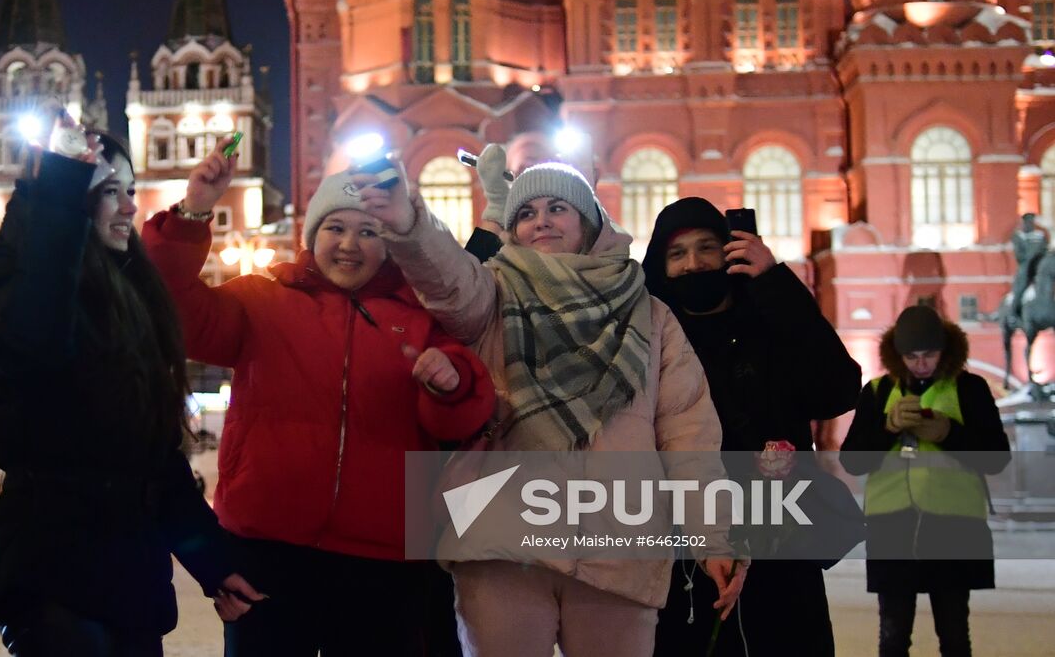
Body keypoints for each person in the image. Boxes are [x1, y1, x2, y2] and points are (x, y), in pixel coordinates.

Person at [359, 161, 741, 657]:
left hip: (617, 547)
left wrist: (713, 536)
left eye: (557, 208)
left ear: (589, 222)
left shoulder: (649, 313)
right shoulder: (491, 293)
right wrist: (410, 223)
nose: (541, 221)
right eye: (526, 213)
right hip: (503, 540)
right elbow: (446, 280)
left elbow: (688, 435)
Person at [142, 139, 497, 656]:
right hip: (267, 552)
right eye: (335, 228)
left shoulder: (418, 318)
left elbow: (460, 415)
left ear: (390, 243)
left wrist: (450, 383)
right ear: (313, 236)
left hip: (383, 563)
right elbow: (166, 306)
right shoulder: (261, 300)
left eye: (368, 231)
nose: (349, 244)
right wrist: (193, 211)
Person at [0, 122, 258, 654]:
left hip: (131, 585)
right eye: (109, 191)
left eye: (130, 189)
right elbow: (36, 341)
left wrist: (213, 561)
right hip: (51, 580)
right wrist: (57, 186)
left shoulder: (131, 293)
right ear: (65, 196)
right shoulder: (14, 274)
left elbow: (155, 463)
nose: (129, 206)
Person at [642, 197, 860, 656]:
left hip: (781, 542)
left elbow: (838, 391)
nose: (693, 264)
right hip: (686, 550)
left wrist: (775, 282)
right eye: (677, 254)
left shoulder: (772, 323)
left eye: (707, 247)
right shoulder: (650, 344)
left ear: (730, 252)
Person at [840, 305, 1010, 657]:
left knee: (954, 635)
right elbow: (852, 461)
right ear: (897, 355)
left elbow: (997, 458)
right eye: (911, 356)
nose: (921, 364)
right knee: (893, 637)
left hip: (953, 526)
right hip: (891, 528)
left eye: (929, 354)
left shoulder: (969, 389)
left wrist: (949, 433)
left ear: (945, 350)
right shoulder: (877, 392)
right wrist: (888, 427)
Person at [464, 132, 560, 262]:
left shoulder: (570, 208)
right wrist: (497, 208)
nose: (541, 223)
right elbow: (471, 269)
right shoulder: (506, 230)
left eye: (538, 168)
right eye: (523, 170)